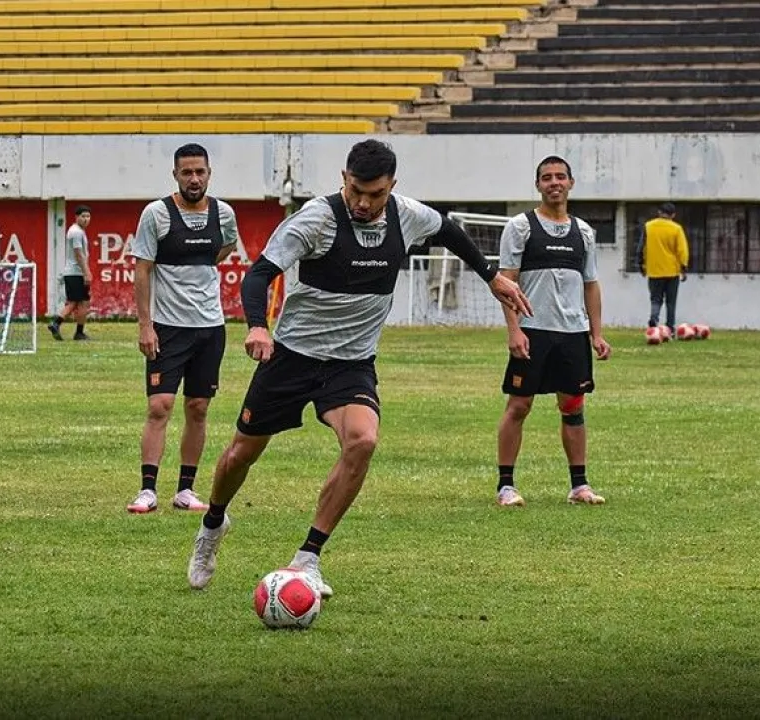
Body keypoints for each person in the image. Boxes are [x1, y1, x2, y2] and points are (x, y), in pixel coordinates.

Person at [186, 139, 532, 594]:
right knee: (240, 456)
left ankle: (308, 558)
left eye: (376, 194)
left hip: (351, 363)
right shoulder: (316, 219)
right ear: (343, 181)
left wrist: (492, 277)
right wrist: (257, 327)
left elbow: (447, 230)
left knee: (363, 440)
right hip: (291, 356)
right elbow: (259, 274)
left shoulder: (406, 214)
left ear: (392, 187)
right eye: (356, 192)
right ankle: (212, 526)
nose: (365, 203)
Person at [126, 143, 241, 515]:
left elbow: (227, 247)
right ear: (175, 175)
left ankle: (185, 491)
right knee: (160, 406)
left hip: (210, 327)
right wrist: (145, 325)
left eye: (200, 172)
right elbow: (142, 269)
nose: (194, 179)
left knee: (199, 407)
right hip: (167, 328)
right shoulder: (156, 214)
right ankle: (147, 490)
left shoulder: (223, 213)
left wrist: (202, 264)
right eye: (187, 172)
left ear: (209, 173)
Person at [494, 156, 612, 508]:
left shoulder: (585, 232)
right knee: (519, 406)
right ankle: (506, 486)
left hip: (572, 333)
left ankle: (579, 486)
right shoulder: (521, 227)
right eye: (547, 177)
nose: (554, 182)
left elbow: (591, 285)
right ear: (538, 185)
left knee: (573, 406)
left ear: (571, 183)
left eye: (560, 176)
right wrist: (514, 330)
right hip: (532, 331)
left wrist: (596, 334)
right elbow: (506, 282)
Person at [639, 202, 689, 335]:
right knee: (671, 301)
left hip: (654, 270)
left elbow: (641, 247)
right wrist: (683, 268)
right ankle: (670, 328)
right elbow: (682, 251)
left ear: (659, 212)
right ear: (673, 215)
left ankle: (653, 320)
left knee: (656, 299)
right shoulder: (676, 229)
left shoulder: (648, 226)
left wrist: (642, 266)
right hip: (672, 271)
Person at [48, 205, 93, 341]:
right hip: (76, 273)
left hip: (75, 272)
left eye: (88, 216)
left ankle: (76, 331)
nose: (86, 219)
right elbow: (78, 254)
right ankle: (58, 323)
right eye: (83, 216)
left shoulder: (77, 231)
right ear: (76, 217)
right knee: (78, 302)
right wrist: (86, 272)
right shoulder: (76, 232)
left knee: (79, 302)